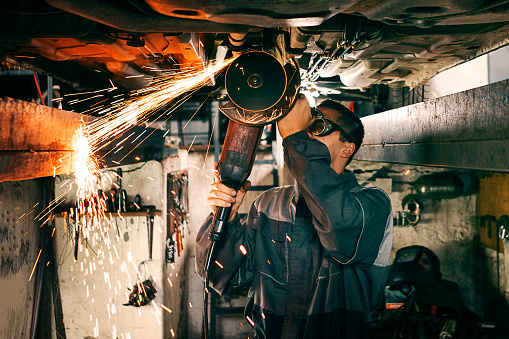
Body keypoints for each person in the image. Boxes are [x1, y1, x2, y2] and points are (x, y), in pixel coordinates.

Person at [196, 95, 393, 339]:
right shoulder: (269, 204)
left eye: (318, 127)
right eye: (306, 126)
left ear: (347, 148)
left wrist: (297, 140)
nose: (307, 134)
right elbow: (219, 275)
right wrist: (225, 217)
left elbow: (338, 228)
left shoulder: (372, 205)